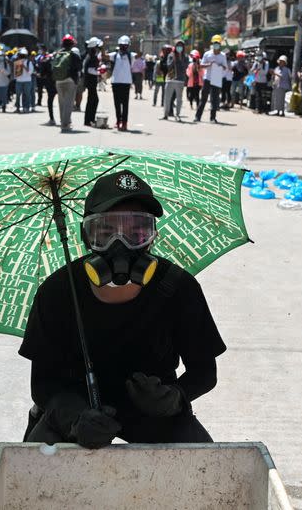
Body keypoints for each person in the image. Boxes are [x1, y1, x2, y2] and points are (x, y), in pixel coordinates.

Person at [21, 170, 226, 448]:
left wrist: (174, 397)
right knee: (33, 476)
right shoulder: (57, 291)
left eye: (136, 232)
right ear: (86, 235)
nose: (121, 245)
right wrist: (74, 417)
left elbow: (204, 372)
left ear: (152, 236)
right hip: (75, 412)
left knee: (205, 471)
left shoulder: (179, 288)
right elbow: (43, 385)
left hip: (152, 410)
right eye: (105, 232)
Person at [194, 34, 227, 124]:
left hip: (216, 77)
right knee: (203, 98)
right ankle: (197, 116)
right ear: (212, 44)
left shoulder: (223, 55)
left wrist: (220, 66)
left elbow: (225, 67)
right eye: (215, 43)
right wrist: (209, 64)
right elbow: (201, 66)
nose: (216, 45)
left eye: (218, 43)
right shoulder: (207, 54)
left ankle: (213, 118)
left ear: (220, 45)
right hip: (207, 78)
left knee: (215, 99)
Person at [51, 34, 81, 132]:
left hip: (58, 81)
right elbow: (79, 67)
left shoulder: (57, 54)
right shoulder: (74, 55)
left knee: (61, 102)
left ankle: (62, 122)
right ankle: (65, 124)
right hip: (70, 81)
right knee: (69, 103)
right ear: (72, 44)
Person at [108, 35, 133, 131]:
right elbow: (104, 56)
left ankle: (125, 123)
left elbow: (139, 54)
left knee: (125, 104)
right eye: (122, 45)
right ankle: (118, 121)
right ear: (119, 45)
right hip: (116, 82)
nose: (124, 47)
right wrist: (103, 45)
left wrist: (136, 42)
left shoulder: (130, 55)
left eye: (126, 45)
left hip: (126, 82)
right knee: (117, 104)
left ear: (128, 46)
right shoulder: (114, 55)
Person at [163, 40, 188, 122]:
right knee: (167, 98)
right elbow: (168, 66)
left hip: (180, 80)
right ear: (175, 47)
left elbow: (185, 67)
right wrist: (174, 59)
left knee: (179, 99)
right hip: (170, 79)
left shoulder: (185, 57)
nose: (179, 48)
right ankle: (165, 115)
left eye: (181, 46)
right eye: (178, 46)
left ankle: (177, 115)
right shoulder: (171, 55)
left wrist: (180, 59)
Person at [83, 37, 102, 127]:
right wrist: (99, 71)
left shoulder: (91, 56)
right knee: (93, 100)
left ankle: (89, 120)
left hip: (90, 81)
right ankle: (89, 120)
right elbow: (90, 70)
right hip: (90, 81)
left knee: (92, 100)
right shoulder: (91, 56)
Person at [37, 49, 57, 125]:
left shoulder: (45, 60)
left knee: (50, 101)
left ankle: (52, 119)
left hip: (50, 83)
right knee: (63, 101)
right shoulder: (57, 59)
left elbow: (42, 73)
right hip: (60, 81)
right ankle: (66, 119)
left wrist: (39, 75)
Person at [14, 48, 34, 113]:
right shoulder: (17, 62)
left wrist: (24, 67)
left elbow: (30, 72)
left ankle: (26, 107)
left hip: (27, 81)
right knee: (18, 95)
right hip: (19, 81)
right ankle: (17, 108)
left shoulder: (29, 62)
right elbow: (16, 74)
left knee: (27, 95)